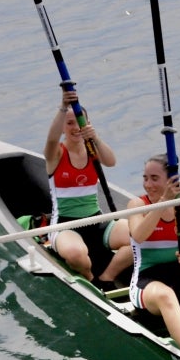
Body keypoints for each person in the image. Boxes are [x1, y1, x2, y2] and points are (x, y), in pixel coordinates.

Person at [97, 153, 180, 360]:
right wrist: (164, 202)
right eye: (145, 178)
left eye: (154, 178)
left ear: (171, 180)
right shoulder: (137, 205)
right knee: (166, 295)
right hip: (146, 283)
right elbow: (138, 235)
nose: (148, 184)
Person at [42, 88, 130, 281]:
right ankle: (89, 277)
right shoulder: (56, 153)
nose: (75, 128)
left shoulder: (92, 148)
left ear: (87, 124)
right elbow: (51, 139)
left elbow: (111, 161)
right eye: (69, 123)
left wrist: (95, 138)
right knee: (76, 254)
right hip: (65, 225)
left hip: (96, 220)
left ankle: (106, 278)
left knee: (138, 237)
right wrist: (63, 107)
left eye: (79, 122)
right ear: (63, 127)